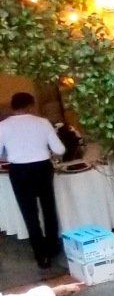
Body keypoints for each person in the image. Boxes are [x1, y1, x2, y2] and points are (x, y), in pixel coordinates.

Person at [0, 93, 68, 270]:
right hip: (42, 168)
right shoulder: (42, 122)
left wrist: (11, 154)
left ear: (13, 107)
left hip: (19, 171)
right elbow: (59, 149)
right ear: (31, 105)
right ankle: (53, 247)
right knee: (48, 208)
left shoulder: (3, 126)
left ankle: (41, 256)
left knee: (29, 213)